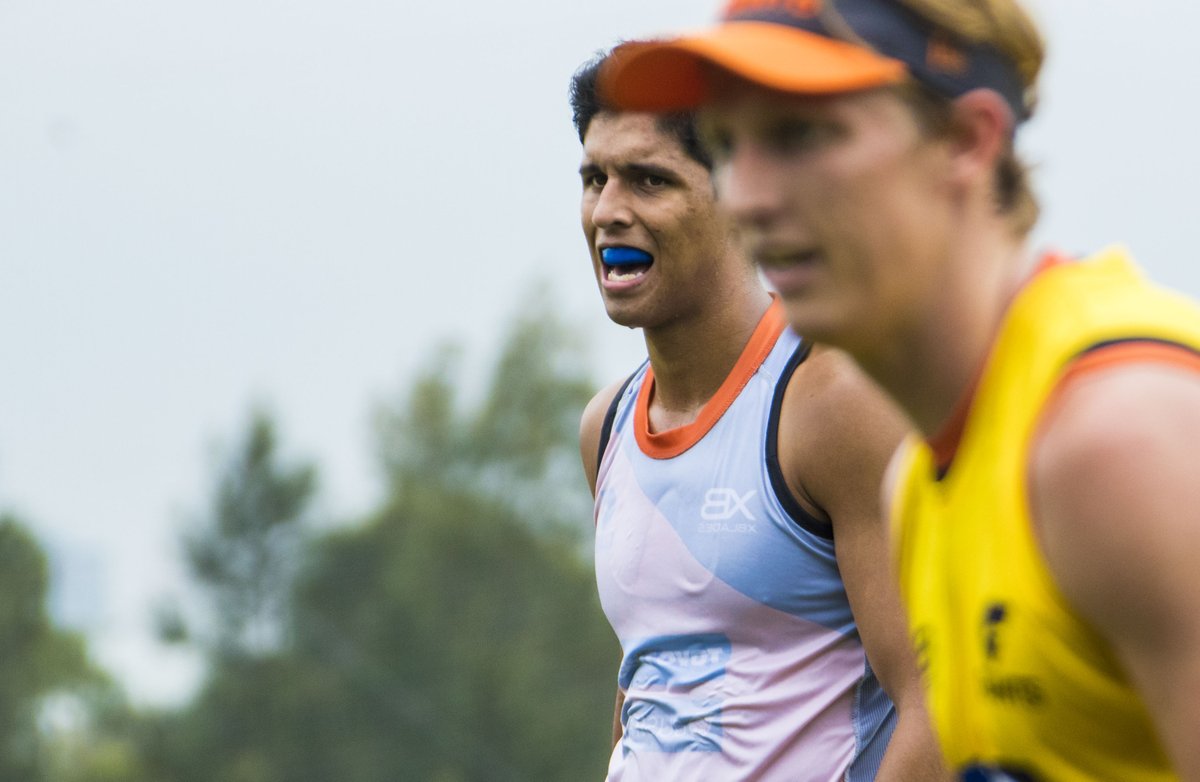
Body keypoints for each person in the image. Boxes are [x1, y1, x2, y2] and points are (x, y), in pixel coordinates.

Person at [598, 1, 1200, 780]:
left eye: (801, 136)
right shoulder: (927, 475)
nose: (748, 196)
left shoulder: (1113, 437)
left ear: (967, 142)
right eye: (729, 145)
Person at [570, 48, 944, 782]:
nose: (609, 209)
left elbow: (938, 707)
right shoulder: (606, 425)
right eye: (593, 178)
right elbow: (651, 687)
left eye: (650, 180)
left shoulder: (829, 402)